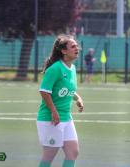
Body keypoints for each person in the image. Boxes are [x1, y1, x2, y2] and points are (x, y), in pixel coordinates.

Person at [37, 34, 84, 167]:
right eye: (73, 46)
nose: (77, 49)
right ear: (63, 51)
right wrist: (53, 111)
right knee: (49, 157)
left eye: (77, 46)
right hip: (50, 119)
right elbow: (44, 91)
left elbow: (68, 89)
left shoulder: (72, 68)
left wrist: (78, 98)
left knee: (73, 152)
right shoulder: (55, 69)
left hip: (66, 118)